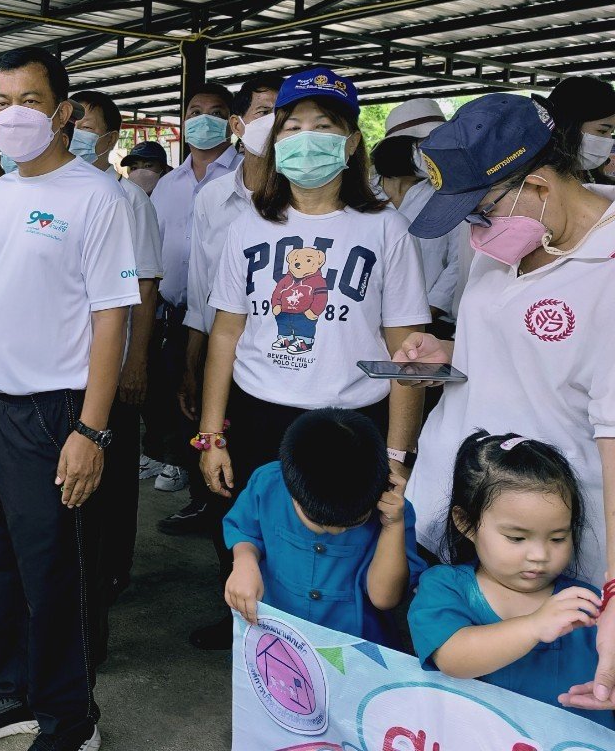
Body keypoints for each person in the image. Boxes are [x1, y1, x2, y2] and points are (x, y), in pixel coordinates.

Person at [193, 66, 430, 650]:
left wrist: (397, 452)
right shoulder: (248, 226)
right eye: (292, 127)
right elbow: (226, 333)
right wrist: (211, 435)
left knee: (351, 562)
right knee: (251, 538)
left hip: (352, 426)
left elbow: (407, 350)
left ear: (350, 143)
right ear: (275, 142)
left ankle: (342, 661)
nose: (305, 139)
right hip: (261, 415)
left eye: (322, 126)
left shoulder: (385, 228)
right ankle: (257, 646)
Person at [0, 47, 138, 751]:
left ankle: (69, 719)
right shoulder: (1, 193)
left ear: (63, 112)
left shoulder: (96, 195)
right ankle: (13, 693)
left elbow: (113, 317)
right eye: (0, 103)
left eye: (28, 101)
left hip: (53, 412)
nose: (12, 115)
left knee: (55, 573)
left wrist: (91, 431)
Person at [392, 92, 615, 694]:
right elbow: (513, 344)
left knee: (534, 695)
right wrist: (448, 352)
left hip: (537, 540)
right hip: (454, 507)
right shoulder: (510, 236)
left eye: (480, 211)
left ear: (537, 185)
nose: (475, 229)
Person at [409, 431, 610, 728]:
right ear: (466, 523)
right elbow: (453, 657)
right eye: (517, 538)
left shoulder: (587, 604)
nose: (539, 555)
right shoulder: (445, 587)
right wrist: (534, 625)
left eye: (558, 538)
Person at [161, 74, 281, 536]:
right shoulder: (212, 196)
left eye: (284, 115)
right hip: (218, 350)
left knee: (267, 473)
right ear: (240, 123)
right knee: (221, 468)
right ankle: (229, 561)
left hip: (274, 358)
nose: (276, 124)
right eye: (264, 112)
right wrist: (193, 364)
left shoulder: (302, 201)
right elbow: (199, 291)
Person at [69, 89, 163, 623]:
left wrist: (135, 362)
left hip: (115, 360)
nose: (76, 134)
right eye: (71, 122)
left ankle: (111, 571)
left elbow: (145, 287)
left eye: (87, 126)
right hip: (66, 366)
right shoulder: (55, 191)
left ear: (109, 139)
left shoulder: (129, 200)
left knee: (114, 473)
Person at [225, 409, 423, 645]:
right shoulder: (268, 483)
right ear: (293, 494)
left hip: (355, 646)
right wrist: (244, 561)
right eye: (318, 520)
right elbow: (244, 528)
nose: (337, 530)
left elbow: (384, 598)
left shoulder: (394, 511)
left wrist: (393, 525)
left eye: (352, 522)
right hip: (279, 636)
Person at [146, 82, 240, 497]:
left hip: (227, 320)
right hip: (175, 314)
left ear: (233, 123)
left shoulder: (245, 178)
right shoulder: (169, 184)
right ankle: (191, 482)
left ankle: (218, 493)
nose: (204, 121)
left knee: (222, 406)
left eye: (216, 113)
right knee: (180, 400)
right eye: (195, 112)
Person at [371, 98, 462, 338]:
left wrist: (423, 312)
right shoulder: (363, 195)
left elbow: (458, 263)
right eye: (425, 143)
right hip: (367, 323)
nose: (436, 150)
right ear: (397, 147)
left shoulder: (448, 194)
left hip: (430, 325)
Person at [548, 76, 615, 180]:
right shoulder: (535, 179)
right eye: (602, 131)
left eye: (612, 131)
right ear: (567, 126)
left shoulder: (588, 174)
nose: (609, 140)